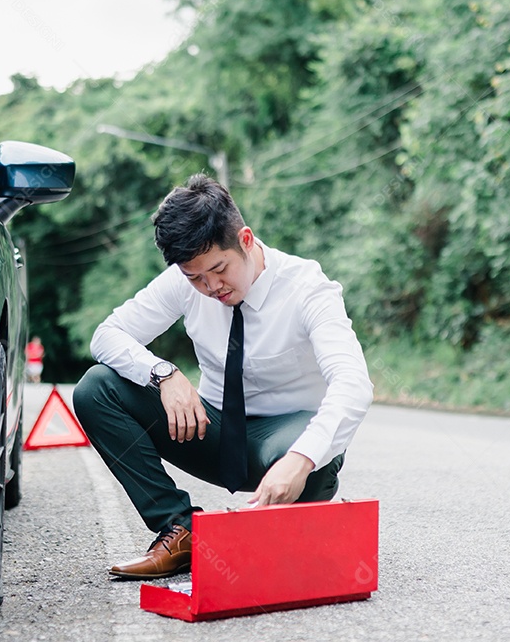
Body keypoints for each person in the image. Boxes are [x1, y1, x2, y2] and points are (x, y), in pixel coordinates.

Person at [73, 174, 373, 580]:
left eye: (218, 269)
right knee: (96, 388)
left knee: (313, 460)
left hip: (284, 445)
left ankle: (285, 525)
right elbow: (107, 335)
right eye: (194, 277)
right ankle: (183, 531)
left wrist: (301, 459)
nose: (211, 286)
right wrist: (163, 374)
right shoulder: (185, 282)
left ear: (245, 240)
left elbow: (353, 381)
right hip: (211, 432)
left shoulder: (308, 288)